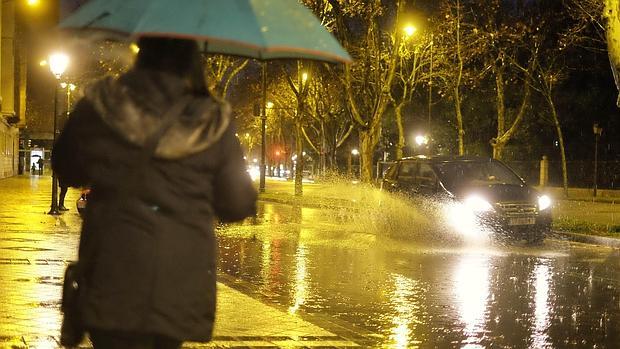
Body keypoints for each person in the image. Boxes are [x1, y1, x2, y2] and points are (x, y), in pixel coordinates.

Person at [51, 37, 257, 349]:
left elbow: (66, 167)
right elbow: (238, 203)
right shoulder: (213, 119)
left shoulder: (101, 102)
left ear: (140, 52)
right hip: (178, 281)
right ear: (191, 58)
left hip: (111, 271)